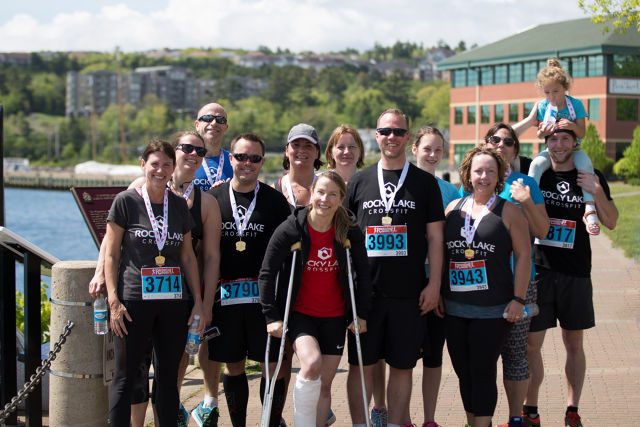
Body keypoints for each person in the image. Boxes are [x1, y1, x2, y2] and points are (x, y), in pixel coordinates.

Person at [89, 132, 221, 426]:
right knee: (126, 375)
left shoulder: (177, 205)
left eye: (165, 165)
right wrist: (113, 300)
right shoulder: (126, 202)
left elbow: (187, 256)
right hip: (134, 301)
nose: (160, 171)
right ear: (143, 165)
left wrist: (198, 302)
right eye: (154, 164)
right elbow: (110, 254)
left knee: (167, 376)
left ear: (172, 168)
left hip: (173, 303)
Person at [346, 108, 445, 427]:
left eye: (398, 132)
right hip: (364, 295)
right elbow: (342, 239)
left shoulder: (425, 184)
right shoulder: (359, 181)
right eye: (385, 131)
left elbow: (435, 238)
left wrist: (434, 286)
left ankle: (393, 423)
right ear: (376, 136)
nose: (392, 137)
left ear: (407, 137)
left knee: (403, 367)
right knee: (362, 366)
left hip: (409, 293)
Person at [260, 171, 372, 427]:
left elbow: (363, 273)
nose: (325, 199)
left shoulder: (348, 229)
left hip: (335, 316)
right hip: (301, 314)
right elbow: (267, 273)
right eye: (321, 192)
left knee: (324, 385)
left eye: (333, 194)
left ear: (341, 199)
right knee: (311, 364)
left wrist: (361, 314)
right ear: (312, 193)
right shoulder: (292, 228)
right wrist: (272, 316)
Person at [524, 129, 617, 427]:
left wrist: (598, 190)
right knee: (530, 345)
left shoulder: (589, 173)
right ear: (545, 142)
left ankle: (571, 410)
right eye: (553, 139)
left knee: (574, 344)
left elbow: (612, 221)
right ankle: (530, 410)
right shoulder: (538, 173)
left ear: (575, 142)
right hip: (540, 270)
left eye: (565, 139)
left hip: (576, 272)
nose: (559, 144)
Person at [207, 133, 292, 427]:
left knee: (272, 366)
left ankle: (270, 421)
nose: (247, 163)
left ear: (262, 162)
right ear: (231, 159)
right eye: (241, 157)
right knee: (233, 366)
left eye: (254, 158)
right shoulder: (213, 199)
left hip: (263, 297)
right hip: (225, 295)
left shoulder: (276, 201)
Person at [443, 147, 531, 427]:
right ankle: (474, 422)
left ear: (499, 176)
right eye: (478, 171)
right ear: (468, 173)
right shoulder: (452, 210)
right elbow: (440, 254)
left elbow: (524, 256)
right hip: (454, 309)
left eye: (490, 171)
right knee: (463, 372)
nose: (484, 176)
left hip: (492, 310)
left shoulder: (510, 212)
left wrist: (518, 298)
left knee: (482, 371)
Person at [479, 124, 549, 427]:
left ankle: (515, 418)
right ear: (486, 143)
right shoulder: (474, 182)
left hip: (521, 280)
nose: (501, 145)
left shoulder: (526, 183)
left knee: (516, 354)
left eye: (508, 142)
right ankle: (481, 419)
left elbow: (543, 230)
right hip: (481, 282)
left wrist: (526, 201)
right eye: (495, 139)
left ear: (515, 150)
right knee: (482, 356)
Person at [406, 126, 460, 427]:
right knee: (400, 358)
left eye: (438, 150)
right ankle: (397, 415)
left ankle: (429, 418)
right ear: (415, 149)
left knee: (433, 357)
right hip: (406, 285)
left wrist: (439, 285)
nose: (433, 155)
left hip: (437, 286)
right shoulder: (402, 186)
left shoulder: (451, 192)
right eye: (427, 148)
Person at [512, 58, 600, 236]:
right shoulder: (543, 106)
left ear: (565, 88)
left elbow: (582, 133)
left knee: (586, 166)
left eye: (556, 91)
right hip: (550, 152)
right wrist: (543, 131)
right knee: (536, 165)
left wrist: (571, 126)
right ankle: (527, 204)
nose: (552, 97)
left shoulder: (575, 104)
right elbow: (539, 135)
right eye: (547, 92)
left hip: (574, 150)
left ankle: (589, 210)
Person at [191, 102, 232, 426]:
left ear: (226, 127)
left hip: (225, 258)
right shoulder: (187, 156)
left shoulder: (237, 161)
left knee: (215, 333)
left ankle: (209, 399)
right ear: (196, 123)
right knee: (182, 334)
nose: (213, 123)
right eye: (207, 118)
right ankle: (175, 403)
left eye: (220, 119)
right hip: (187, 258)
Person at [276, 123, 324, 209]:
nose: (301, 150)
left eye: (308, 145)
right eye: (296, 145)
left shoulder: (327, 190)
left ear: (317, 152)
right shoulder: (274, 191)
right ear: (287, 150)